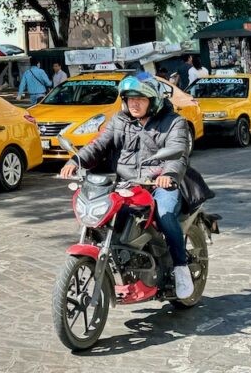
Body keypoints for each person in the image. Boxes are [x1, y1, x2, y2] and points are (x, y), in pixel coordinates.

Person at [58, 75, 194, 300]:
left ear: (154, 100)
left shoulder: (174, 122)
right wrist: (76, 161)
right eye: (130, 98)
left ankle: (180, 266)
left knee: (165, 212)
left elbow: (177, 153)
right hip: (124, 184)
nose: (134, 103)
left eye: (140, 98)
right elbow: (98, 145)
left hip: (156, 183)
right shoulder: (119, 121)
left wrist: (168, 174)